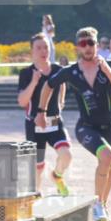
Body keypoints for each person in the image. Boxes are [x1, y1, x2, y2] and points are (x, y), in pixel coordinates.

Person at [37, 27, 111, 221]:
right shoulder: (71, 72)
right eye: (83, 44)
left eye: (91, 43)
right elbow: (48, 86)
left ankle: (102, 207)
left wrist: (106, 70)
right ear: (78, 47)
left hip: (109, 126)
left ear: (97, 45)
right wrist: (41, 112)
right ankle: (97, 204)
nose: (87, 48)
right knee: (107, 156)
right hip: (86, 127)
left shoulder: (109, 64)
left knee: (109, 168)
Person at [17, 34, 71, 196]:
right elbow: (22, 102)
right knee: (37, 166)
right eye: (39, 47)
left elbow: (62, 87)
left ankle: (57, 175)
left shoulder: (58, 70)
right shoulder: (26, 73)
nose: (43, 51)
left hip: (54, 122)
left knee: (66, 155)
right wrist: (34, 82)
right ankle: (36, 193)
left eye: (46, 47)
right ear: (32, 51)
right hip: (34, 124)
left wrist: (60, 103)